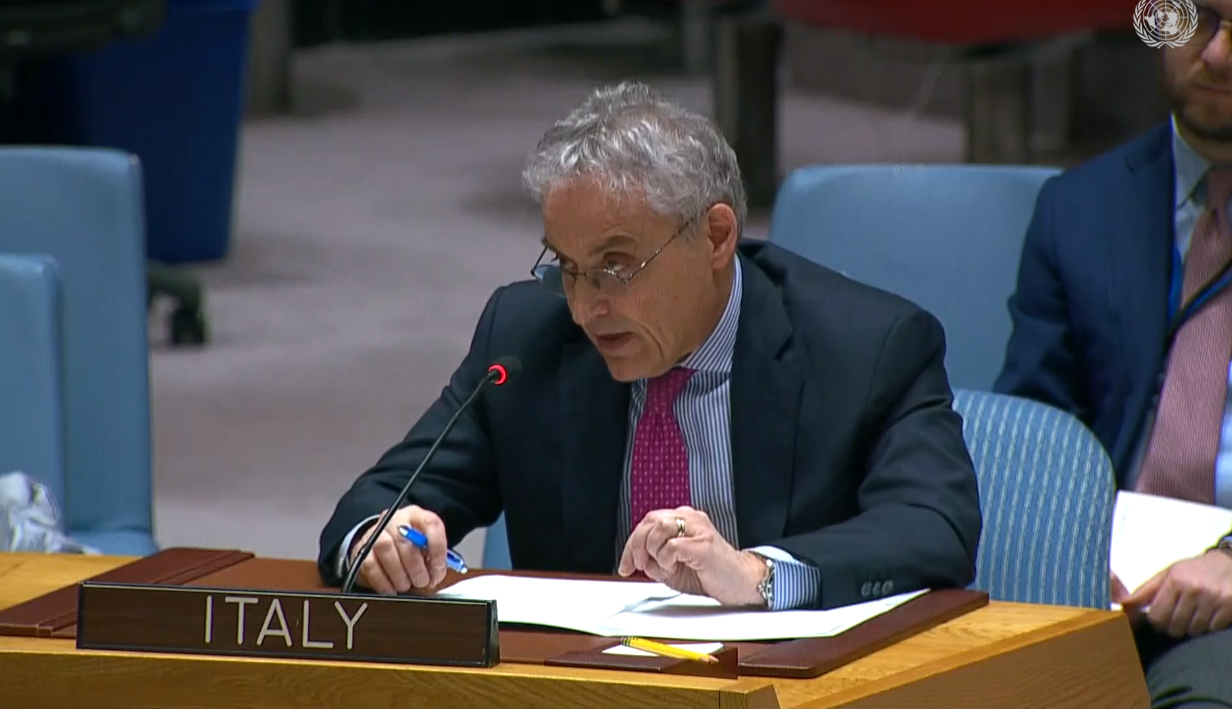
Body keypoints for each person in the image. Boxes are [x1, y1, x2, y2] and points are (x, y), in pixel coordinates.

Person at [318, 81, 982, 611]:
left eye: (615, 266)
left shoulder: (866, 347)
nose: (585, 308)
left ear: (716, 237)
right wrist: (378, 539)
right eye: (566, 267)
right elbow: (377, 502)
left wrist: (756, 573)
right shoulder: (526, 338)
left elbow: (933, 525)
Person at [994, 5, 1232, 706]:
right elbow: (1033, 424)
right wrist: (1059, 552)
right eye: (1201, 20)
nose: (1218, 56)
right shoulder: (1077, 209)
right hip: (1098, 588)